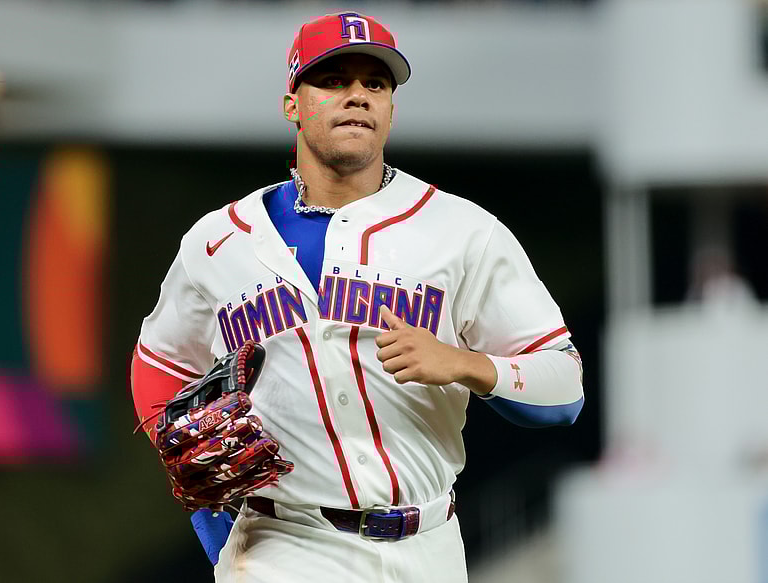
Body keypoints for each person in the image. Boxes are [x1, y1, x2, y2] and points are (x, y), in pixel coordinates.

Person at [131, 11, 584, 583]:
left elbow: (565, 388)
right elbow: (158, 365)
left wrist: (464, 364)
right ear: (292, 104)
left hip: (429, 546)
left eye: (375, 84)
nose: (357, 97)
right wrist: (201, 493)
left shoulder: (464, 231)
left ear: (392, 107)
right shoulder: (219, 242)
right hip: (285, 542)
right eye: (333, 80)